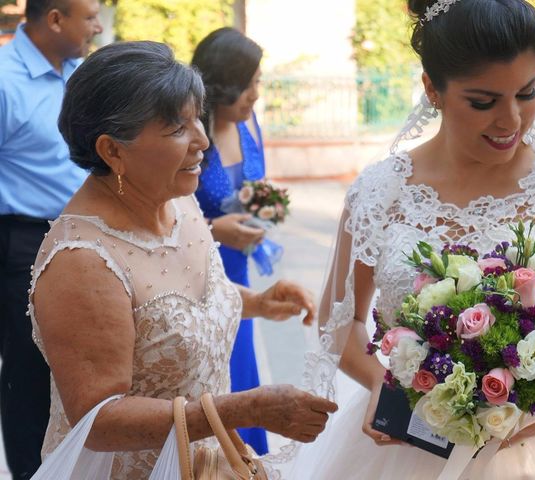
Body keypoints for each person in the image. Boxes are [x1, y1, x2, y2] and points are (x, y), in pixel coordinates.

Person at [265, 1, 535, 478]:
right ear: (431, 89)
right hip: (411, 444)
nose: (511, 121)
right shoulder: (381, 192)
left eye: (528, 93)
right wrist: (383, 383)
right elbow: (341, 323)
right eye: (483, 102)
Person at [28, 40, 337, 479]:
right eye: (177, 129)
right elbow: (97, 420)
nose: (203, 141)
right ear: (112, 151)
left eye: (198, 119)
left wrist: (257, 302)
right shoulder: (82, 261)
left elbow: (172, 307)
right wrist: (245, 408)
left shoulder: (177, 201)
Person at [0, 0, 102, 477]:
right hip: (24, 241)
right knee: (31, 374)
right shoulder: (3, 78)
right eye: (90, 16)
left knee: (85, 371)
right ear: (56, 19)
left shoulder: (82, 75)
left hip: (91, 237)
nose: (99, 25)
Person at [191, 27, 274, 454]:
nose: (256, 94)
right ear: (221, 82)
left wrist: (264, 210)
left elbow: (257, 185)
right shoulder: (188, 129)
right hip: (196, 274)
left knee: (243, 369)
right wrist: (211, 229)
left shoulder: (250, 124)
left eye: (258, 81)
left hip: (239, 266)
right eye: (248, 83)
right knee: (213, 377)